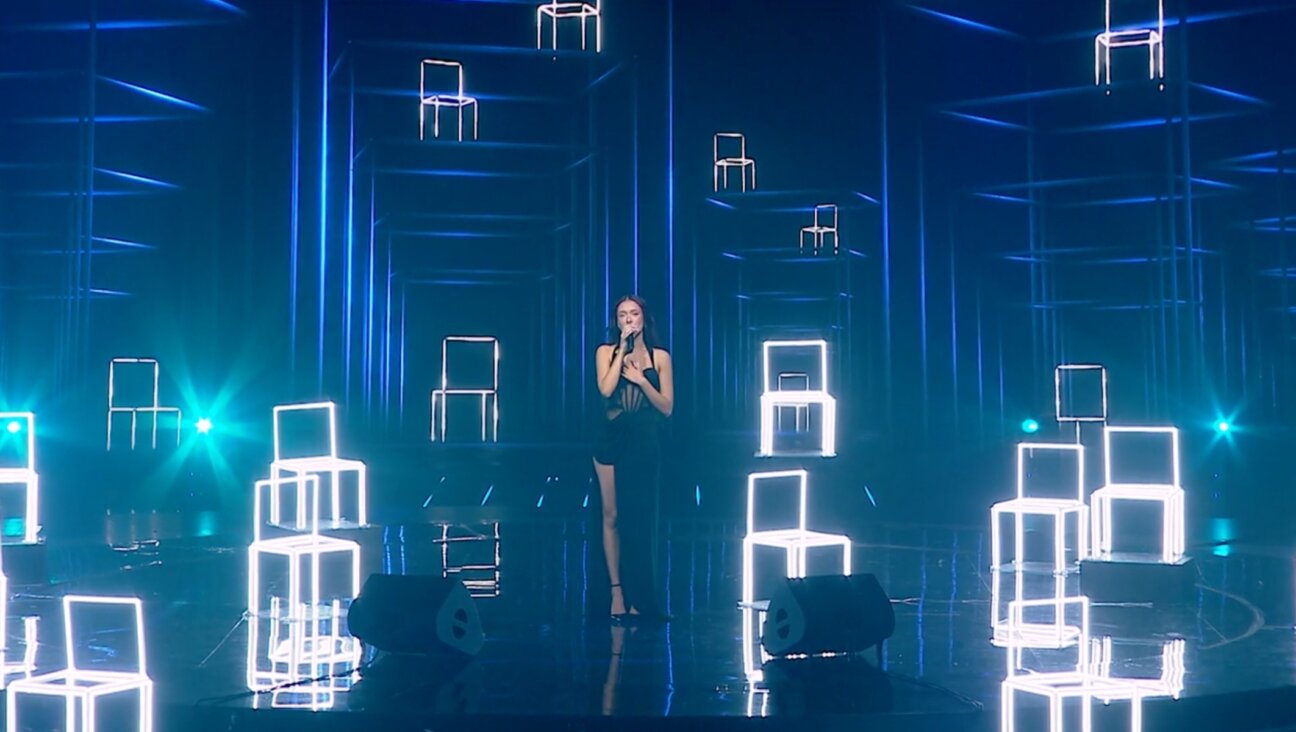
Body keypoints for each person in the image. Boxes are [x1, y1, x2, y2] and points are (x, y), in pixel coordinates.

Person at [592, 294, 674, 623]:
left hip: (645, 437)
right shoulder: (605, 351)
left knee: (641, 518)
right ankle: (616, 590)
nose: (629, 319)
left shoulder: (661, 357)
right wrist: (622, 352)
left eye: (634, 313)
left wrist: (642, 380)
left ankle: (642, 596)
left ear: (644, 318)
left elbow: (667, 407)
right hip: (611, 435)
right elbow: (605, 388)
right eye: (622, 314)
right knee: (612, 515)